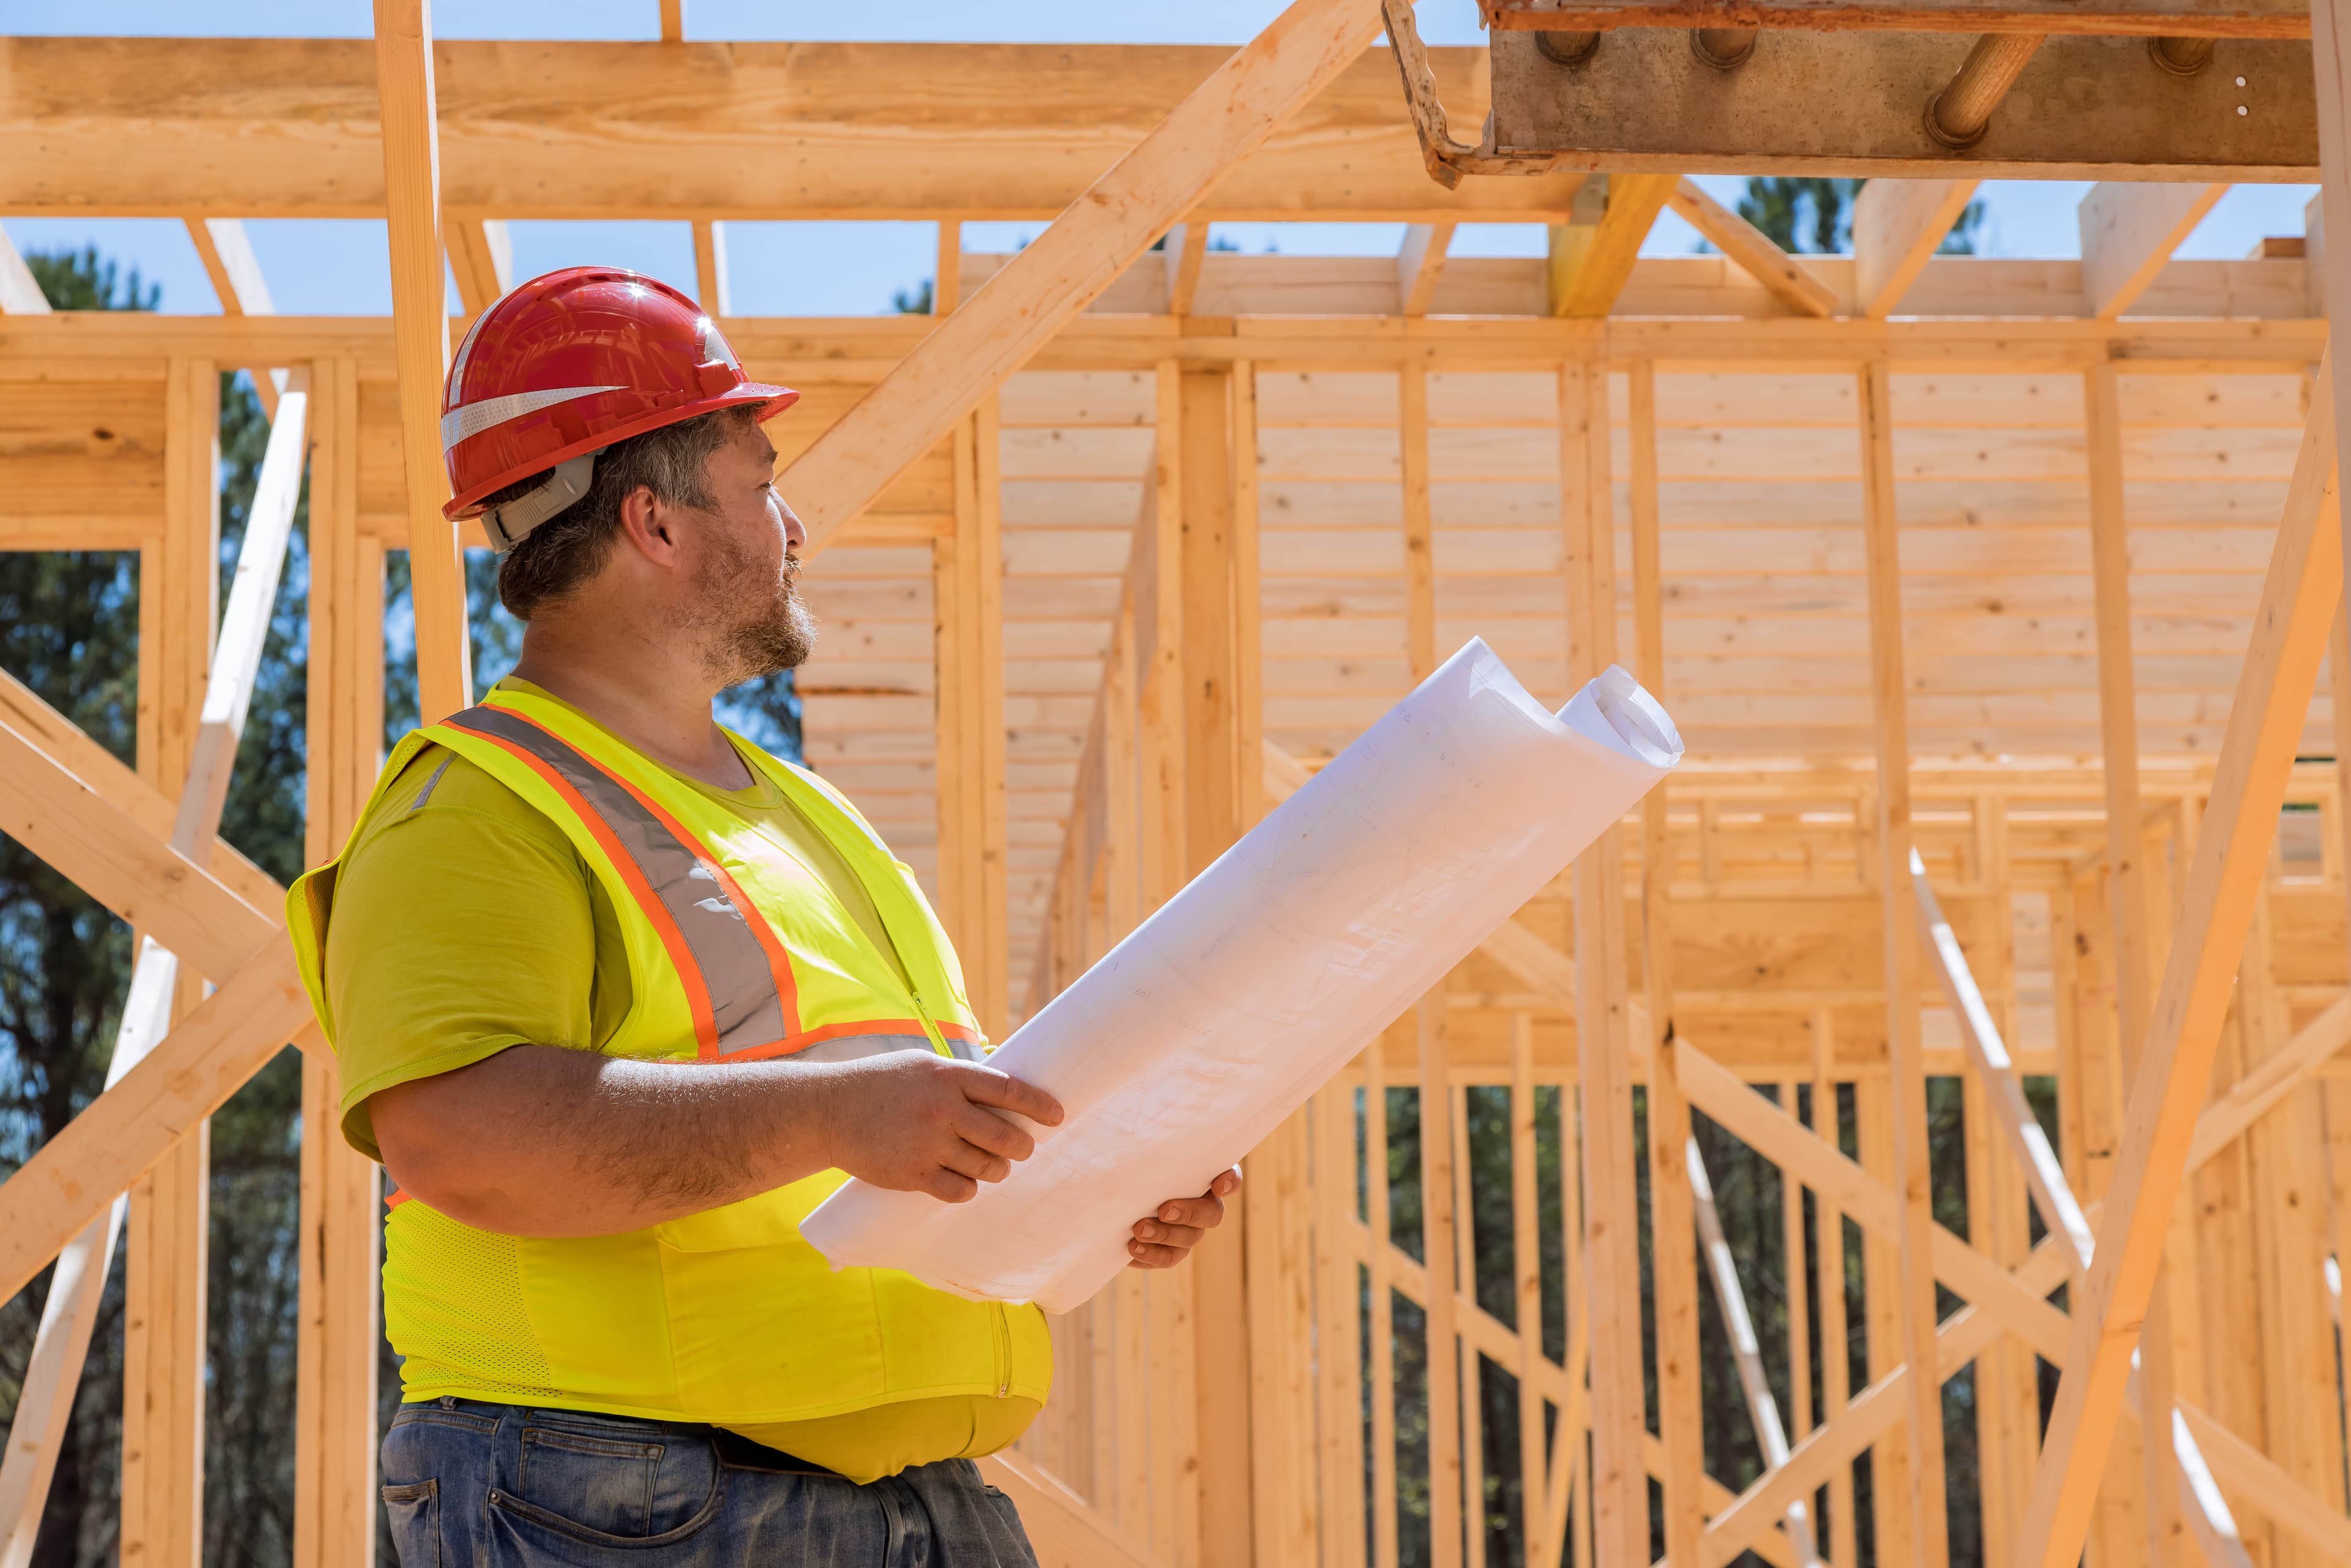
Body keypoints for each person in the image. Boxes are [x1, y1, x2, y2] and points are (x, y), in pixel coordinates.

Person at [285, 266, 1236, 1566]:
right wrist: (833, 1118)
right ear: (656, 523)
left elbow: (900, 1123)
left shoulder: (804, 815)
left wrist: (1096, 1186)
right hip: (623, 1499)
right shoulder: (477, 809)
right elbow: (460, 1140)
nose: (792, 527)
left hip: (899, 1500)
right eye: (761, 483)